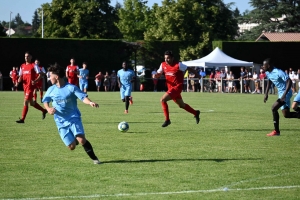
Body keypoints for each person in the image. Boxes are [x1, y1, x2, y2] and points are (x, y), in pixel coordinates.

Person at [42, 63, 101, 164]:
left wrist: (90, 102)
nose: (49, 78)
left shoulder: (71, 88)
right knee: (72, 147)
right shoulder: (51, 89)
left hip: (73, 117)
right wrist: (48, 109)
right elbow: (45, 101)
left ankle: (95, 159)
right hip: (60, 121)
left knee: (82, 140)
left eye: (50, 75)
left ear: (56, 77)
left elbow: (83, 97)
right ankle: (74, 138)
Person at [154, 50, 201, 127]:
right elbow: (159, 73)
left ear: (172, 58)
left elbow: (189, 68)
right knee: (181, 105)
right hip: (170, 88)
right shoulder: (163, 65)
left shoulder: (178, 65)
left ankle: (167, 120)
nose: (166, 60)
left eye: (168, 58)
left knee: (162, 100)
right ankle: (196, 113)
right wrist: (156, 75)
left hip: (177, 87)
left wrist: (197, 74)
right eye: (165, 58)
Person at [263, 58, 299, 136]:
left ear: (268, 65)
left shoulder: (278, 72)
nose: (263, 66)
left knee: (273, 108)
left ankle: (276, 131)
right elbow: (269, 81)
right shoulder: (268, 72)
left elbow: (289, 81)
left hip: (286, 93)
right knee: (286, 114)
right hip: (281, 93)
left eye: (264, 65)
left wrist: (284, 95)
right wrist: (266, 94)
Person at [15, 51, 47, 123]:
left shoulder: (34, 65)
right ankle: (44, 110)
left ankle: (22, 119)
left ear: (31, 57)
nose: (26, 57)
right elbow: (20, 76)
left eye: (28, 56)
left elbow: (40, 75)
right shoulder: (22, 66)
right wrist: (18, 82)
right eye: (25, 56)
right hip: (25, 87)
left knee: (25, 102)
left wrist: (35, 81)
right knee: (32, 103)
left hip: (30, 87)